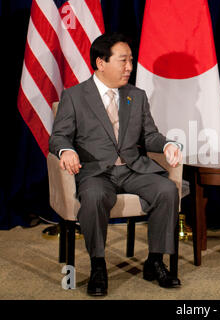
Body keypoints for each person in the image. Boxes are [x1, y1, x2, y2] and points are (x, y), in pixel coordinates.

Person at [49, 33, 183, 296]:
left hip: (133, 169)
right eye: (123, 61)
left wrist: (167, 144)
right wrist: (65, 150)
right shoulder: (75, 96)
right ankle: (98, 265)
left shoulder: (137, 95)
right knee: (95, 196)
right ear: (100, 62)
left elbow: (149, 135)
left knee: (167, 190)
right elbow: (59, 136)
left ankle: (155, 260)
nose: (129, 67)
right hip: (96, 172)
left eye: (131, 61)